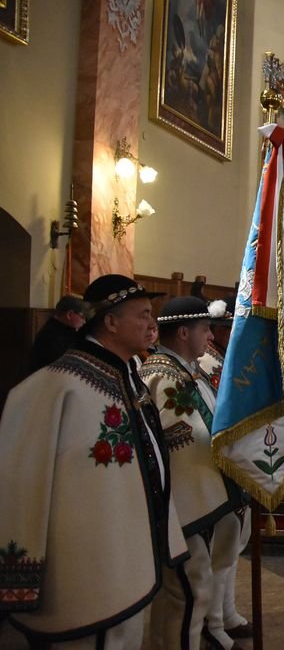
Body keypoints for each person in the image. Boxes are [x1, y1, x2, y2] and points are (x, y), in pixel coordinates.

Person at [0, 274, 186, 648]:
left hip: (126, 558)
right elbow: (21, 483)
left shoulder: (128, 377)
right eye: (143, 314)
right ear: (111, 321)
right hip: (82, 572)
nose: (152, 324)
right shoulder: (53, 388)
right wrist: (21, 578)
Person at [141, 296, 245, 650]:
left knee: (184, 592)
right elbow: (182, 443)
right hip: (182, 504)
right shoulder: (162, 374)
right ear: (184, 333)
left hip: (192, 498)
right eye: (205, 329)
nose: (210, 336)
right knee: (188, 590)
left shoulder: (184, 370)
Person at [196, 295, 253, 646]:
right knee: (221, 547)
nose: (235, 332)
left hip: (235, 461)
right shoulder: (205, 361)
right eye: (229, 327)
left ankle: (227, 612)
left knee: (233, 544)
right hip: (215, 465)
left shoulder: (222, 356)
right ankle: (214, 619)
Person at [28, 294, 88, 372]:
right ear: (69, 315)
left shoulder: (60, 329)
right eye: (82, 317)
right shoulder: (52, 336)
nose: (84, 322)